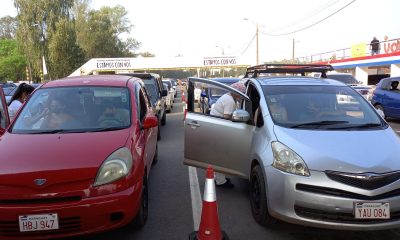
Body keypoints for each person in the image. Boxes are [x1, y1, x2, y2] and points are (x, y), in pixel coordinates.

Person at [210, 81, 246, 188]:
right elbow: (227, 116)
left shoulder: (227, 96)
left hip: (216, 128)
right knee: (222, 156)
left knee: (219, 155)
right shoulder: (230, 101)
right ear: (236, 92)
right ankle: (221, 181)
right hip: (220, 130)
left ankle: (219, 178)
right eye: (241, 94)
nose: (241, 96)